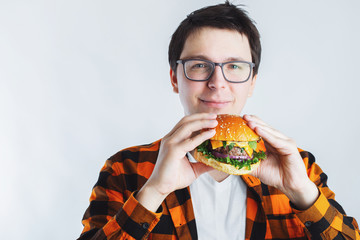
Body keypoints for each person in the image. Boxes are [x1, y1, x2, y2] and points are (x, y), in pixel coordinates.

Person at [78, 2, 360, 239]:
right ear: (175, 78)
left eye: (234, 66)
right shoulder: (125, 168)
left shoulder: (298, 167)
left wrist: (302, 193)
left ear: (252, 82)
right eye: (200, 65)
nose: (217, 83)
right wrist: (153, 191)